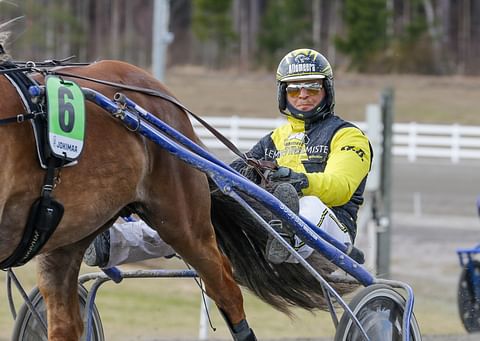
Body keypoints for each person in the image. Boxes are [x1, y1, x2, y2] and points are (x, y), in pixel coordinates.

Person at [83, 48, 372, 267]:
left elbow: (340, 187)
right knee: (191, 214)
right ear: (284, 94)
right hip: (265, 231)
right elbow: (236, 171)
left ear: (327, 90)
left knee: (306, 203)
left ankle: (289, 235)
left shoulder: (347, 136)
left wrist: (298, 182)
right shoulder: (274, 139)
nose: (303, 95)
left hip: (332, 234)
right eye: (295, 89)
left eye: (312, 88)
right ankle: (115, 242)